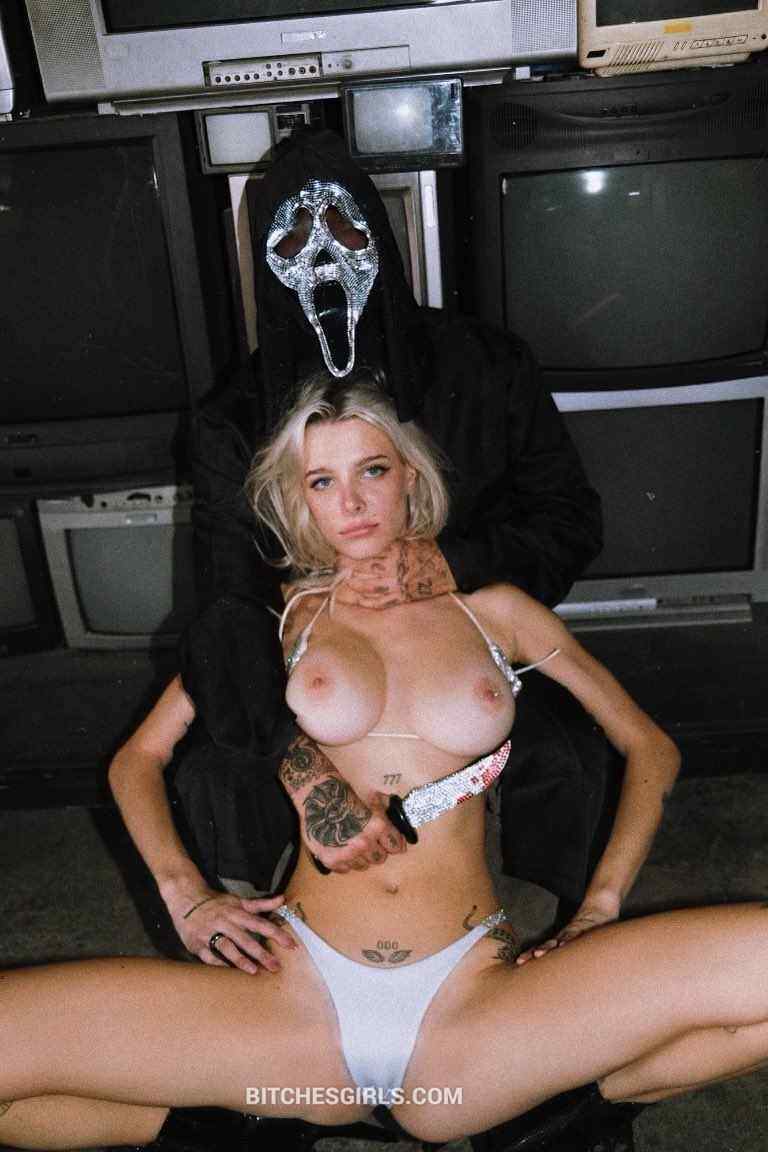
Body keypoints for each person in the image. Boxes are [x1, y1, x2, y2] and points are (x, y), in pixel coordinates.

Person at [3, 371, 768, 1152]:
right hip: (294, 999)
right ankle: (235, 1128)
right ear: (301, 501)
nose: (353, 501)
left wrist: (600, 908)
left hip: (473, 1003)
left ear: (410, 475)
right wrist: (187, 895)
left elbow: (649, 744)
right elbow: (138, 758)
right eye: (322, 482)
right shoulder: (277, 620)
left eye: (372, 469)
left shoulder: (495, 611)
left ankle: (563, 1114)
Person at [165, 126, 608, 955]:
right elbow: (228, 599)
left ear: (381, 233)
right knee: (213, 772)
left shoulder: (489, 364)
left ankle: (547, 938)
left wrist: (451, 564)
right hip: (318, 651)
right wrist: (301, 767)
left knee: (571, 759)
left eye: (342, 228)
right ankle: (265, 929)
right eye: (293, 241)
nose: (323, 259)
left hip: (478, 633)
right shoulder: (228, 419)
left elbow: (571, 517)